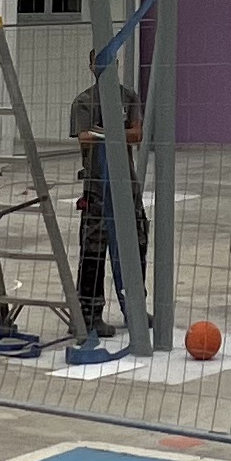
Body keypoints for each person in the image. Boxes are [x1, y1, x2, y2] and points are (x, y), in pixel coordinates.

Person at [67, 67, 145, 350]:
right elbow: (84, 137)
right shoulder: (84, 101)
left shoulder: (128, 97)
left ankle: (134, 307)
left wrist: (104, 132)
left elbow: (137, 134)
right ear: (92, 66)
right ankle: (89, 313)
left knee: (136, 245)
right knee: (94, 250)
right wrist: (117, 133)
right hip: (97, 185)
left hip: (127, 184)